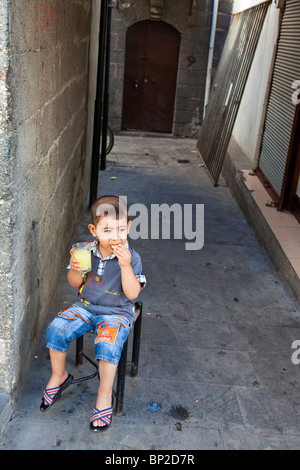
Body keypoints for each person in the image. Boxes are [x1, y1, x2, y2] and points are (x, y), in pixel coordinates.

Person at [40, 195, 146, 432]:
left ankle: (104, 394)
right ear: (93, 230)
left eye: (121, 229)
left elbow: (132, 295)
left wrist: (125, 266)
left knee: (107, 347)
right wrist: (75, 269)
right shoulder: (85, 250)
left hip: (117, 312)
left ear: (128, 227)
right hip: (86, 306)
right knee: (56, 329)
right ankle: (59, 375)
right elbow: (73, 282)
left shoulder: (132, 258)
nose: (115, 236)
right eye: (107, 230)